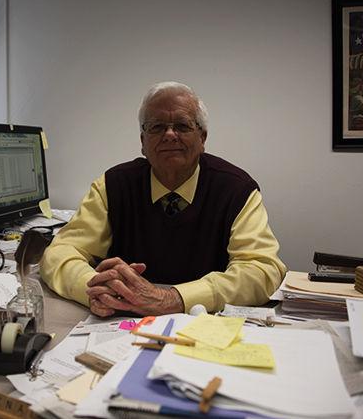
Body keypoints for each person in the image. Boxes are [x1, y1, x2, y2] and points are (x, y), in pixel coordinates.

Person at [40, 81, 286, 317]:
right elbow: (60, 253)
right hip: (122, 326)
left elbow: (262, 269)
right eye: (157, 127)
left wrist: (174, 299)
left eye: (182, 125)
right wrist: (94, 289)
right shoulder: (113, 186)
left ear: (203, 139)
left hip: (204, 326)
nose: (169, 135)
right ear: (142, 142)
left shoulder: (236, 190)